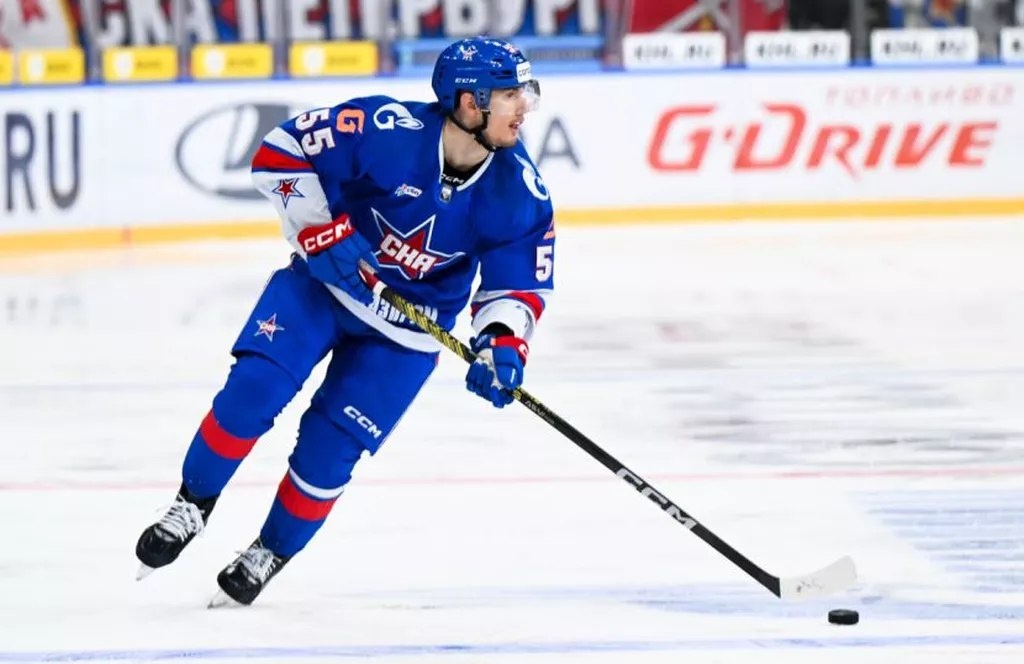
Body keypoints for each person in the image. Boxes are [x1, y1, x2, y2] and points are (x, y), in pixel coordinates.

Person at [134, 36, 556, 607]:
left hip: (407, 332)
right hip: (324, 288)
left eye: (525, 92)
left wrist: (502, 343)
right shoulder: (385, 129)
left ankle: (270, 550)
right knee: (253, 390)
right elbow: (282, 151)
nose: (524, 106)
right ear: (468, 101)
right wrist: (315, 229)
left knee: (330, 452)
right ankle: (192, 504)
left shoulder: (520, 192)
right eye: (509, 94)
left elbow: (518, 284)